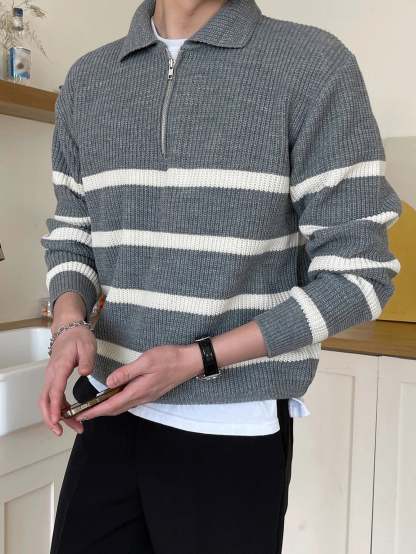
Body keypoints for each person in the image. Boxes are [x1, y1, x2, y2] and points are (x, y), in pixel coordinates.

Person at [39, 0, 402, 552]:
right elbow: (72, 232)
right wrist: (69, 323)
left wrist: (197, 359)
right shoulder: (89, 78)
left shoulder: (313, 64)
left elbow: (359, 276)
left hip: (232, 430)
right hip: (106, 414)